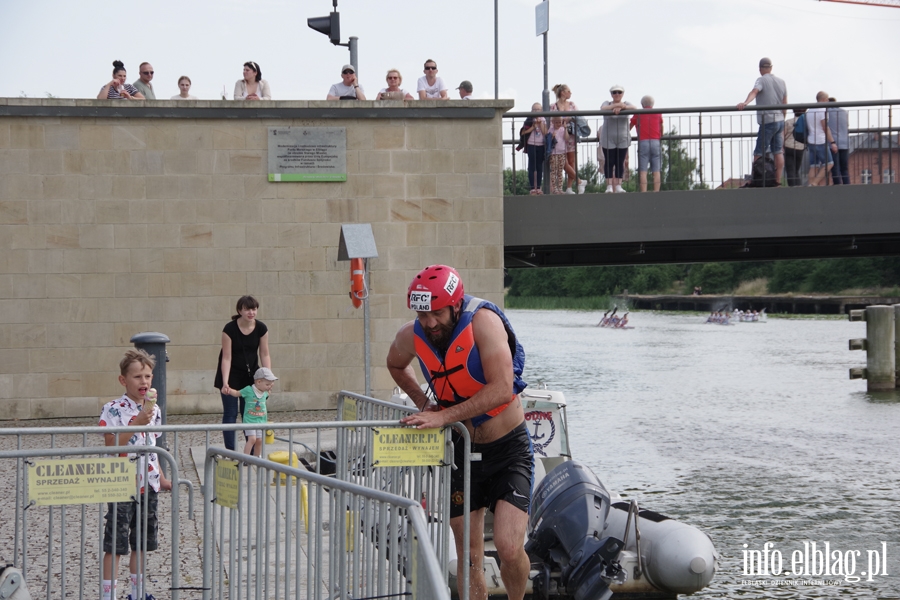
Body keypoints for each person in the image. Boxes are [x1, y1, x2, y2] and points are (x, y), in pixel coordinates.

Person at [386, 265, 532, 600]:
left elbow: (501, 389)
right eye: (423, 314)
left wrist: (444, 416)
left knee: (509, 549)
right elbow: (395, 364)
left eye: (436, 313)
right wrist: (425, 403)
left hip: (508, 449)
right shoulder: (413, 333)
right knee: (469, 557)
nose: (429, 322)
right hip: (462, 454)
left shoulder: (484, 323)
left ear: (455, 305)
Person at [99, 349, 172, 600]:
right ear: (123, 380)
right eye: (138, 377)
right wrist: (137, 422)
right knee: (115, 543)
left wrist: (161, 477)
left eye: (148, 376)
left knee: (141, 542)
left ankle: (137, 593)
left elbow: (152, 446)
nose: (144, 382)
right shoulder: (113, 408)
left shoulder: (154, 410)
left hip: (148, 484)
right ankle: (109, 594)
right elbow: (111, 444)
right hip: (121, 483)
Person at [214, 295, 271, 451]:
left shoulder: (261, 329)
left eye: (253, 309)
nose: (251, 312)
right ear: (240, 310)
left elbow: (264, 354)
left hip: (251, 376)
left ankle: (251, 451)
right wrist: (225, 382)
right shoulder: (229, 329)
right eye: (247, 309)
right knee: (230, 414)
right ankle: (231, 451)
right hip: (230, 374)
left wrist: (268, 379)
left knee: (251, 413)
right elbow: (226, 357)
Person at [737, 57, 788, 185]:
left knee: (759, 151)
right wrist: (783, 118)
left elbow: (754, 91)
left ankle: (757, 179)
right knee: (778, 151)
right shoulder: (782, 82)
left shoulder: (761, 80)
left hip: (768, 120)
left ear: (760, 69)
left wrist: (745, 103)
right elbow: (785, 103)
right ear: (771, 68)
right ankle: (777, 181)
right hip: (780, 120)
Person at [226, 367, 277, 457]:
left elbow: (267, 394)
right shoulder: (249, 390)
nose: (269, 387)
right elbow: (237, 393)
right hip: (249, 420)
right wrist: (229, 390)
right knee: (252, 439)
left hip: (261, 421)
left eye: (271, 385)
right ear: (258, 382)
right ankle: (246, 457)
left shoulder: (264, 392)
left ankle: (257, 457)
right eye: (268, 385)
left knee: (259, 440)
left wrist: (269, 389)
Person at [601, 85, 636, 193]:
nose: (617, 94)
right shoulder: (607, 103)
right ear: (611, 94)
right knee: (609, 162)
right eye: (614, 92)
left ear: (623, 94)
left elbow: (635, 108)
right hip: (608, 138)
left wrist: (622, 106)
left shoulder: (626, 103)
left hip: (623, 138)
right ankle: (609, 186)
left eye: (619, 92)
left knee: (620, 162)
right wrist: (614, 107)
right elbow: (603, 108)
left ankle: (619, 185)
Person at [549, 84, 583, 194]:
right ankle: (579, 181)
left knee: (572, 161)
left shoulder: (572, 105)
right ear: (563, 92)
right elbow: (550, 121)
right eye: (568, 91)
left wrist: (568, 119)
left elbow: (578, 117)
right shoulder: (553, 106)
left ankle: (569, 187)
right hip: (559, 138)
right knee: (563, 163)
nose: (570, 93)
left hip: (570, 135)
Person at [630, 95, 663, 192]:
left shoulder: (638, 113)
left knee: (643, 171)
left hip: (643, 141)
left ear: (642, 104)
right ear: (652, 104)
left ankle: (644, 192)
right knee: (656, 171)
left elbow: (629, 126)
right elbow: (661, 127)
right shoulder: (658, 113)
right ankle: (656, 192)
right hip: (656, 141)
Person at [807, 91, 837, 187]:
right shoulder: (822, 111)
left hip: (811, 140)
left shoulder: (810, 110)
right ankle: (815, 183)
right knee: (829, 163)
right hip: (820, 140)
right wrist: (832, 142)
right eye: (827, 99)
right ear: (824, 100)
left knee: (813, 165)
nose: (828, 101)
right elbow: (825, 127)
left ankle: (810, 185)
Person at [522, 103, 548, 194]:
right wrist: (533, 126)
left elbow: (545, 132)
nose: (536, 111)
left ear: (541, 110)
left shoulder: (543, 119)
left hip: (540, 145)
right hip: (531, 144)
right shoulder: (529, 120)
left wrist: (540, 125)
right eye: (534, 109)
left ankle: (538, 187)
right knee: (532, 166)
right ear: (531, 111)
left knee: (539, 166)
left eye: (538, 109)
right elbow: (524, 132)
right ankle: (533, 187)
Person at [828, 97, 850, 185]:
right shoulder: (844, 112)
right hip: (845, 142)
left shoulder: (827, 112)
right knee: (844, 168)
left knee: (835, 168)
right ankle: (847, 186)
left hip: (833, 143)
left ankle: (837, 186)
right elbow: (847, 125)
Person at [783, 108, 807, 187]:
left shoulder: (788, 122)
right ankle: (799, 186)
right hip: (800, 147)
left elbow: (782, 135)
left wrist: (782, 147)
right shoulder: (805, 122)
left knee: (790, 169)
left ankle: (792, 187)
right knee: (796, 170)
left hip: (788, 147)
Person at [548, 116, 567, 194]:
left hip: (562, 152)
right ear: (553, 122)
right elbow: (548, 139)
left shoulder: (563, 129)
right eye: (556, 122)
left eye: (560, 122)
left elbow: (566, 138)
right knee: (554, 171)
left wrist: (565, 129)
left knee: (560, 171)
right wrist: (552, 136)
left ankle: (560, 188)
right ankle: (554, 188)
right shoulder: (551, 130)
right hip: (553, 153)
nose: (558, 124)